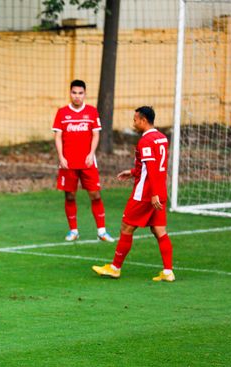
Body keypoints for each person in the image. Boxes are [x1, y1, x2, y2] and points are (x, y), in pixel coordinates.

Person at [92, 106, 175, 282]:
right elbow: (155, 166)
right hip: (160, 190)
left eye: (135, 119)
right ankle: (168, 271)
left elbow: (152, 168)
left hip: (145, 193)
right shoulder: (161, 138)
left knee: (126, 227)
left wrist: (152, 194)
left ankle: (115, 268)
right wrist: (132, 172)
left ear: (143, 120)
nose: (134, 122)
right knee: (159, 230)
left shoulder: (145, 142)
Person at [52, 79, 114, 242]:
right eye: (74, 93)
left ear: (85, 94)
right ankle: (73, 231)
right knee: (70, 196)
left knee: (95, 195)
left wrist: (91, 153)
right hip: (68, 163)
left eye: (80, 93)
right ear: (70, 93)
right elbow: (58, 136)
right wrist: (61, 157)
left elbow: (96, 134)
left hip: (88, 162)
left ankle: (101, 231)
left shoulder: (92, 112)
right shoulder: (62, 113)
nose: (77, 96)